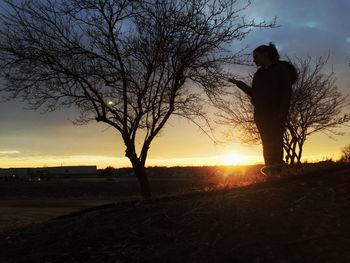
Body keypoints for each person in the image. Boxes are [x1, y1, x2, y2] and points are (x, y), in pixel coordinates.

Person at [228, 43, 297, 175]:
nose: (254, 60)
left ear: (265, 54)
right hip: (260, 113)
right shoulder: (258, 74)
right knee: (266, 140)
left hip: (276, 112)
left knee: (275, 139)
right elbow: (254, 93)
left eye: (256, 56)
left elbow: (286, 92)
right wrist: (239, 84)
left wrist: (283, 111)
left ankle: (277, 168)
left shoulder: (280, 70)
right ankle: (270, 170)